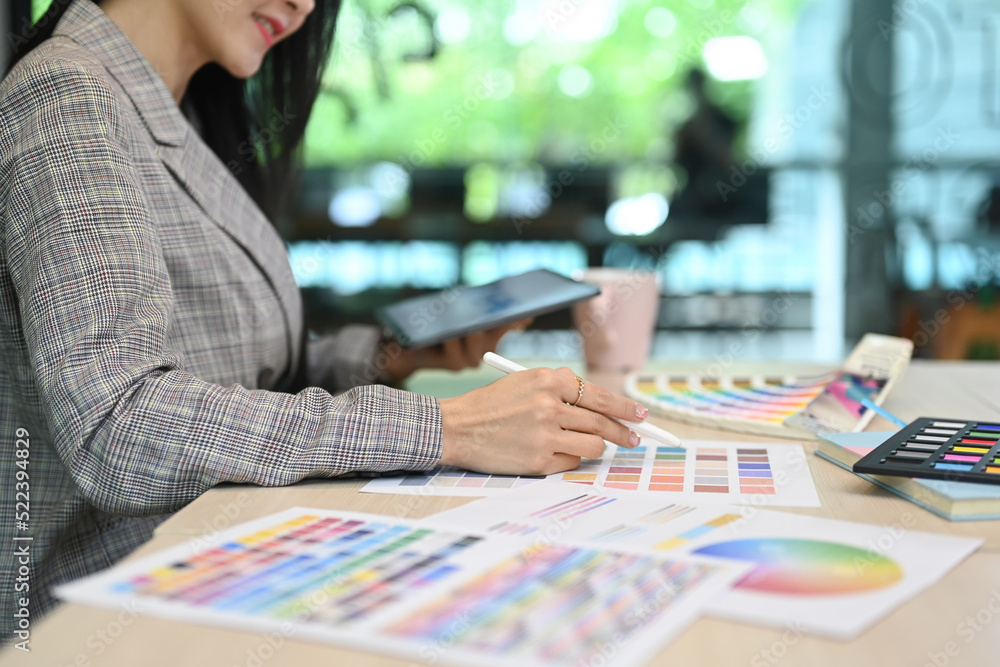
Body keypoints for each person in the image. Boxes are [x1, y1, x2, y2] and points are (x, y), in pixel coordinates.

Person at [0, 0, 650, 639]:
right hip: (104, 609)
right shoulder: (69, 96)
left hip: (223, 557)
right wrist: (447, 427)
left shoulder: (180, 110)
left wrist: (398, 355)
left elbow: (250, 372)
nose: (305, 6)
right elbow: (116, 423)